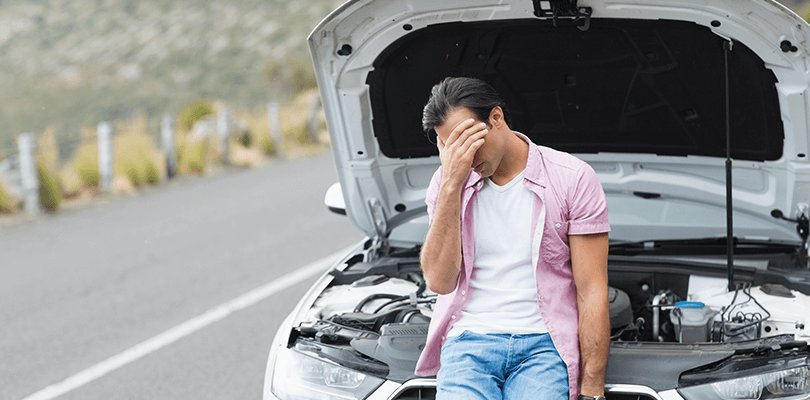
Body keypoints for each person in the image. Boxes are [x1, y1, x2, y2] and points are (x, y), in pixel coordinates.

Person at [414, 77, 611, 400]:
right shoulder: (447, 181)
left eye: (468, 141)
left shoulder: (572, 178)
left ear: (496, 117)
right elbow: (439, 281)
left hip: (544, 345)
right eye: (452, 148)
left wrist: (592, 389)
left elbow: (591, 289)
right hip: (468, 342)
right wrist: (451, 183)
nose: (464, 158)